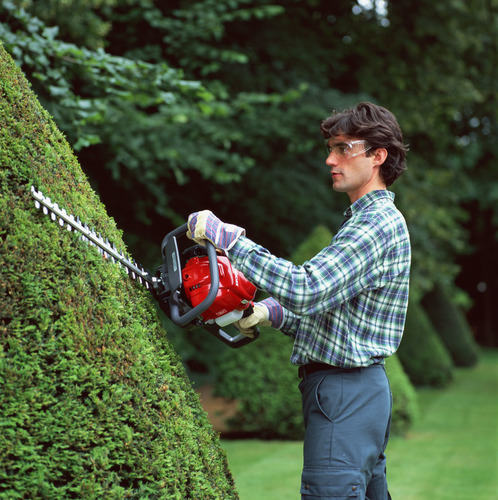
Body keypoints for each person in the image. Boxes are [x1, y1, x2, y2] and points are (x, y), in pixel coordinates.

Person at [187, 102, 411, 500]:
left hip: (345, 395)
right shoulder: (366, 221)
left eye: (344, 148)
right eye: (330, 147)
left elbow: (308, 290)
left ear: (378, 156)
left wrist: (230, 240)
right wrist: (270, 312)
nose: (330, 159)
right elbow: (338, 309)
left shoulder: (375, 225)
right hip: (354, 393)